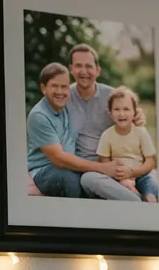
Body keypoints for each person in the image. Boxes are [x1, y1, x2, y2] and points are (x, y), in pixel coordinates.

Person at [67, 44, 156, 201]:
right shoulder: (64, 98)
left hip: (127, 164)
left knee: (151, 177)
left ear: (97, 70)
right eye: (78, 66)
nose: (84, 71)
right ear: (71, 69)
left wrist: (138, 116)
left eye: (89, 66)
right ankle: (136, 203)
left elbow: (130, 113)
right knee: (88, 180)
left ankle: (149, 198)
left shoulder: (111, 95)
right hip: (93, 170)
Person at [26, 63, 120, 198]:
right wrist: (101, 168)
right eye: (54, 86)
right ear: (43, 88)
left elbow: (115, 105)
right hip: (46, 169)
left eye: (64, 86)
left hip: (70, 165)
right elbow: (59, 159)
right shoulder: (39, 116)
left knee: (92, 179)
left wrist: (135, 116)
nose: (60, 92)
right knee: (69, 179)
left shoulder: (67, 105)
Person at [96, 87, 159, 201]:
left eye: (126, 109)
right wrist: (119, 175)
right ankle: (134, 196)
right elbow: (104, 160)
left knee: (151, 181)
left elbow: (150, 161)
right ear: (110, 113)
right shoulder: (107, 135)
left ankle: (149, 196)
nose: (121, 114)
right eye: (117, 109)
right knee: (116, 185)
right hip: (119, 176)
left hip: (141, 173)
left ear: (134, 112)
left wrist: (134, 172)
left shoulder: (141, 132)